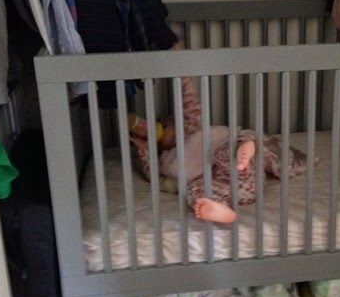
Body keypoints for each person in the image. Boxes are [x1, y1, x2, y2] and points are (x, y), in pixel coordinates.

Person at [129, 76, 308, 224]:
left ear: (177, 124)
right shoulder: (167, 160)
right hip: (236, 193)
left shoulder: (192, 129)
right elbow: (155, 177)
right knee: (195, 192)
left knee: (224, 152)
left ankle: (246, 146)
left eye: (164, 126)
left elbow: (190, 102)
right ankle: (219, 209)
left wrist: (182, 76)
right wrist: (144, 151)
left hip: (243, 173)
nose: (161, 133)